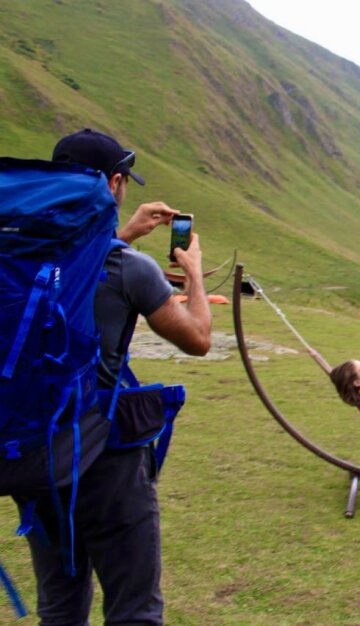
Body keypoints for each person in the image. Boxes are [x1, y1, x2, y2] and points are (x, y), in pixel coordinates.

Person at [13, 128, 212, 625]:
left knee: (59, 606)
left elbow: (75, 272)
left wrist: (124, 233)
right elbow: (198, 338)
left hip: (36, 453)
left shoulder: (18, 256)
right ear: (115, 184)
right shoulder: (130, 269)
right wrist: (193, 272)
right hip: (106, 459)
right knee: (134, 609)